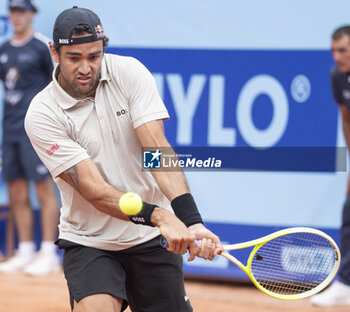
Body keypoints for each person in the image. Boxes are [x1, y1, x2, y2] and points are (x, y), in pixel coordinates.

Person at [24, 6, 222, 312]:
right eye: (74, 58)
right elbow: (95, 191)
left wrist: (191, 220)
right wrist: (161, 216)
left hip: (151, 240)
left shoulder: (129, 73)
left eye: (94, 56)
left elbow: (155, 149)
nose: (85, 68)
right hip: (90, 241)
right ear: (55, 52)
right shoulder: (42, 113)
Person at [0, 0, 60, 275]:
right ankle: (24, 250)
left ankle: (48, 252)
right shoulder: (3, 48)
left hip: (36, 131)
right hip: (10, 131)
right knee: (16, 190)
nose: (17, 16)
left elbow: (59, 86)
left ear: (32, 14)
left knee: (44, 189)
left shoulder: (41, 46)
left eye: (22, 11)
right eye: (12, 11)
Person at [310, 25, 350, 307]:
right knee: (349, 211)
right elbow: (346, 118)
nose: (336, 57)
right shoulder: (338, 76)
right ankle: (346, 284)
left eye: (343, 50)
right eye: (333, 50)